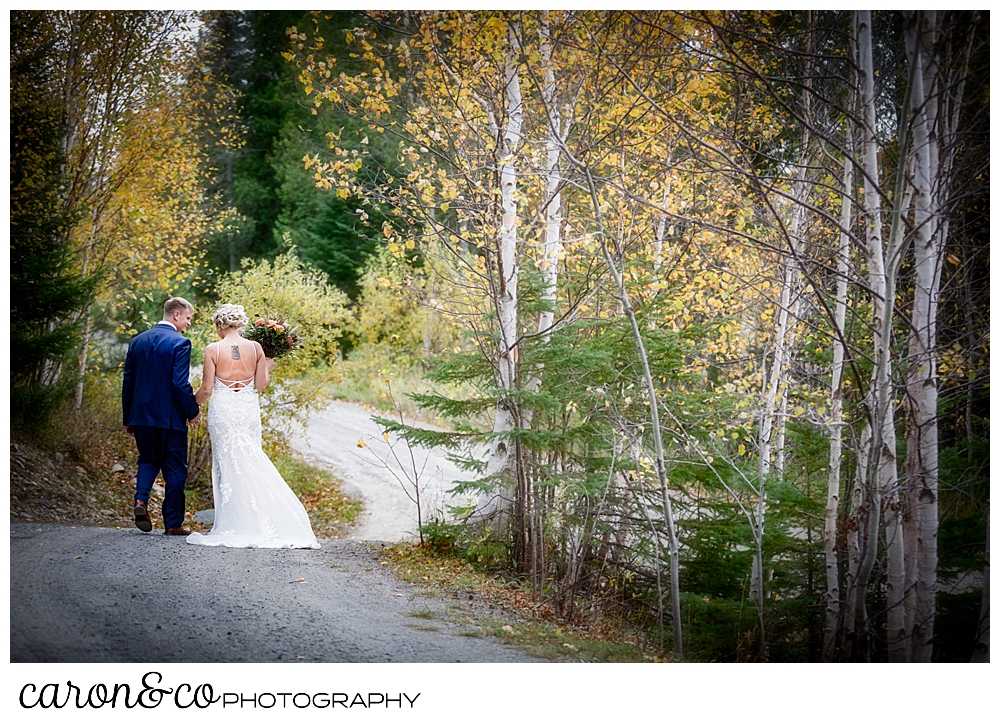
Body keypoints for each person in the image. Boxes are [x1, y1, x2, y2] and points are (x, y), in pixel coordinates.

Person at [186, 303, 319, 549]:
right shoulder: (256, 348)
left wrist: (190, 408)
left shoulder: (213, 349)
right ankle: (259, 518)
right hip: (247, 410)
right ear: (240, 324)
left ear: (219, 325)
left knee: (228, 464)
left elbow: (206, 389)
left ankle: (236, 521)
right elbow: (260, 385)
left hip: (224, 410)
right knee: (251, 459)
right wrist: (268, 366)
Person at [122, 296, 201, 535]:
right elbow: (179, 384)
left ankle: (140, 500)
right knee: (175, 467)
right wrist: (192, 410)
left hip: (141, 415)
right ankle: (173, 524)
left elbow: (128, 382)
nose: (188, 324)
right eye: (187, 318)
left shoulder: (137, 341)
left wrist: (129, 418)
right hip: (170, 418)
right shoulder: (180, 343)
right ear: (176, 315)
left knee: (147, 459)